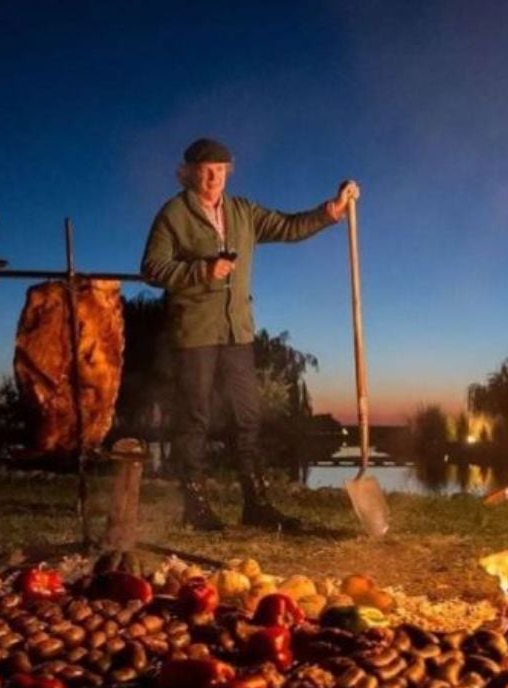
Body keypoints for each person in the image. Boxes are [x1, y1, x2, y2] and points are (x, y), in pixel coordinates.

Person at [140, 137, 359, 531]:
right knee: (195, 419)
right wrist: (200, 271)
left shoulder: (242, 211)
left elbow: (289, 226)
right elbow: (153, 269)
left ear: (228, 172)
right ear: (188, 172)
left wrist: (332, 211)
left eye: (221, 170)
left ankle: (256, 504)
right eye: (206, 170)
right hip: (195, 333)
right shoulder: (173, 214)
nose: (213, 177)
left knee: (248, 417)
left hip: (237, 331)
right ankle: (195, 507)